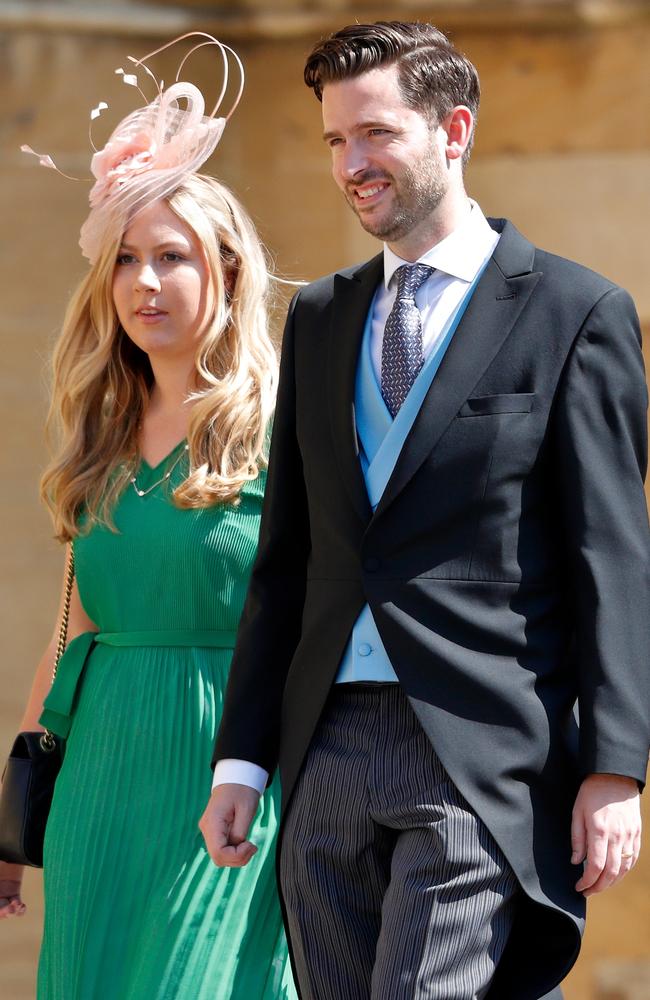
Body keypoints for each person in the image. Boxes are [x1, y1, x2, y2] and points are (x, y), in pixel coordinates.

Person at [200, 20, 650, 1000]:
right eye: (331, 141)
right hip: (323, 754)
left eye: (374, 135)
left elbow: (608, 556)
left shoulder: (573, 312)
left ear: (452, 131)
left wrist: (614, 766)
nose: (349, 164)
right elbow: (288, 558)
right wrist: (241, 758)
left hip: (475, 749)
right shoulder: (318, 318)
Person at [0, 34, 296, 1000]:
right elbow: (73, 625)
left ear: (229, 273)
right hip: (100, 781)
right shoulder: (100, 432)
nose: (145, 283)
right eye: (126, 259)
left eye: (173, 257)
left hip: (231, 773)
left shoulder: (291, 428)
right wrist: (9, 816)